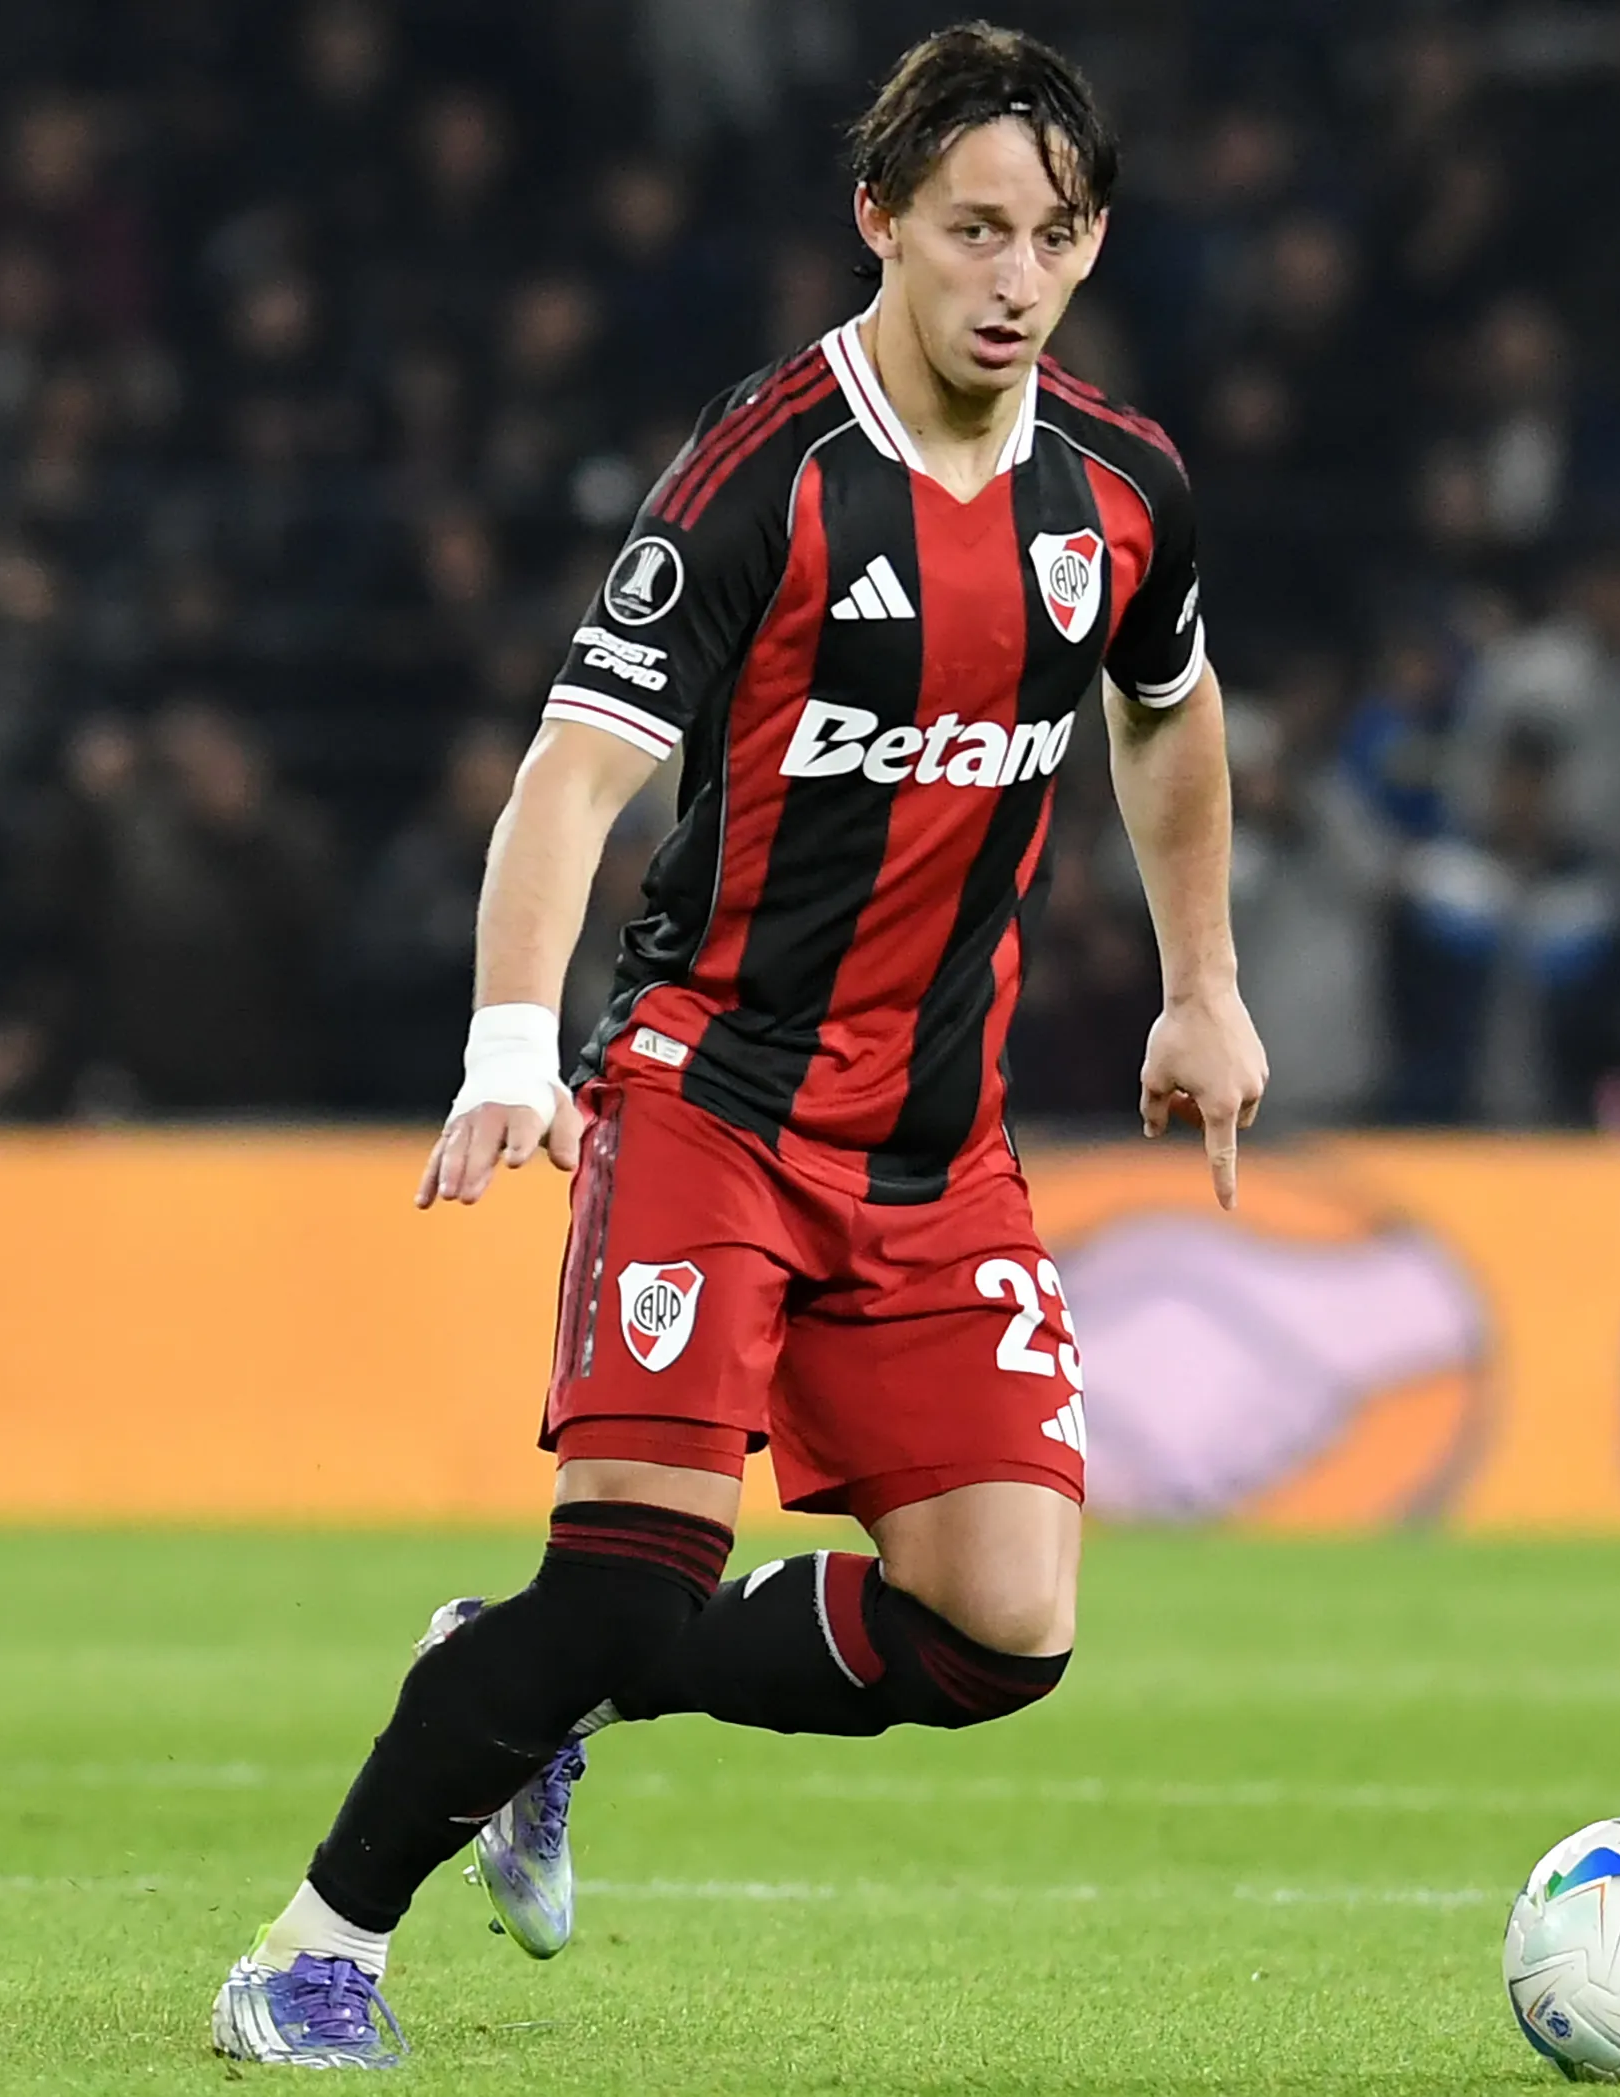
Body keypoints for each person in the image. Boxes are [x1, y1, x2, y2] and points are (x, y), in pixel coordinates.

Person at [209, 27, 1265, 2068]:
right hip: (717, 1101)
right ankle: (315, 1948)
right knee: (631, 1568)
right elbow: (571, 774)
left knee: (1005, 1625)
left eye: (1055, 235)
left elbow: (1171, 707)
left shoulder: (1123, 488)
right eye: (973, 228)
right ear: (881, 219)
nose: (1016, 277)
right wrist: (510, 1047)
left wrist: (1202, 981)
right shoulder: (769, 472)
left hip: (935, 1146)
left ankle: (539, 1685)